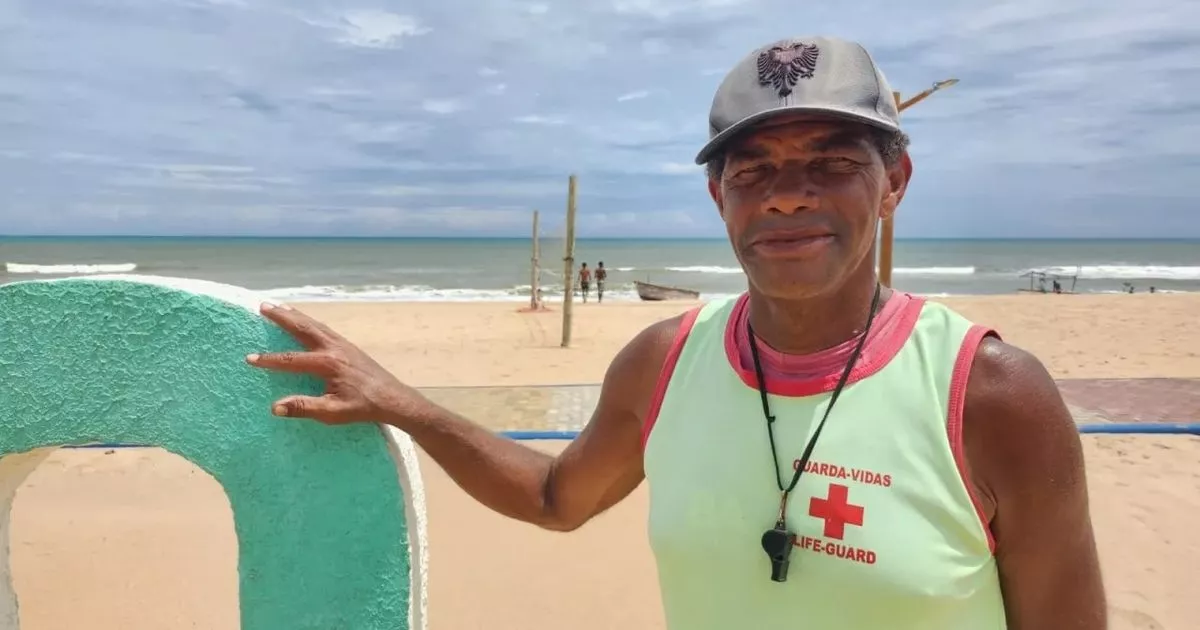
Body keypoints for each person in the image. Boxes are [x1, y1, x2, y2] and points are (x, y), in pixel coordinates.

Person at [246, 35, 1105, 630]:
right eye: (754, 171)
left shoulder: (990, 394)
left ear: (894, 182)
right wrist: (403, 404)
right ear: (718, 196)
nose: (787, 195)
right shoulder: (666, 361)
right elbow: (555, 499)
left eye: (833, 163)